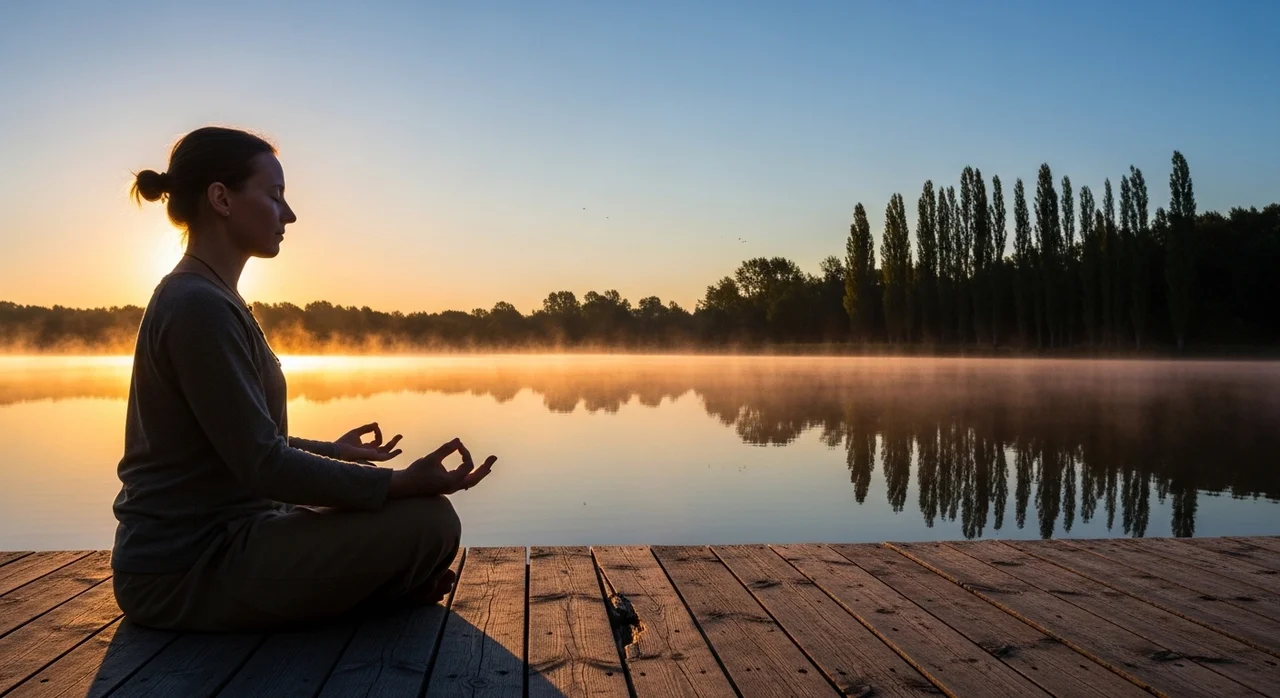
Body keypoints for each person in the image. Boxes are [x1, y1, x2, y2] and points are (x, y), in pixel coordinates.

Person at [111, 126, 495, 631]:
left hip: (235, 536)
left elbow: (237, 442)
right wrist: (399, 482)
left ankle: (370, 590)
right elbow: (262, 465)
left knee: (415, 520)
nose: (288, 214)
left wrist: (334, 452)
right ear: (221, 199)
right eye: (274, 196)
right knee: (431, 522)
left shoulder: (211, 296)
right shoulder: (197, 306)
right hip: (182, 569)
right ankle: (374, 592)